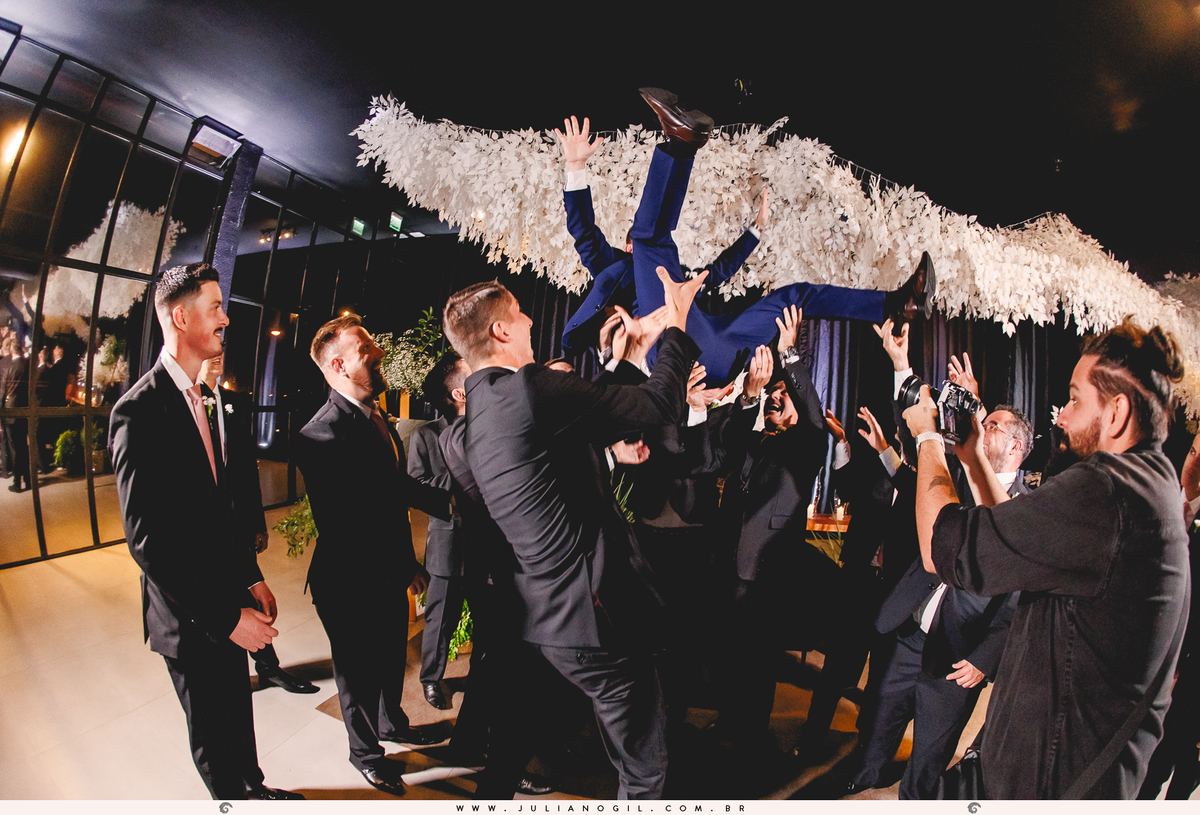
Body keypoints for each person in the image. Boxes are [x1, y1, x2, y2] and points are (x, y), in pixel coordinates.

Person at [441, 266, 705, 799]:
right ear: (500, 331)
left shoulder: (482, 414)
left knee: (574, 736)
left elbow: (585, 414)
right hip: (594, 617)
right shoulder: (528, 388)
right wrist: (676, 324)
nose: (531, 318)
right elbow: (659, 406)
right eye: (519, 313)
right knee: (645, 765)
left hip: (548, 615)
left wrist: (629, 358)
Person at [903, 316, 1191, 798]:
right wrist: (973, 456)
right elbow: (1017, 540)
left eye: (1076, 399)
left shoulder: (1106, 490)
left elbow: (943, 547)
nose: (1064, 415)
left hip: (1042, 781)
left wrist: (927, 438)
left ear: (1117, 413)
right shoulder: (1149, 490)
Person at [556, 90, 935, 386]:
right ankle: (681, 143)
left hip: (716, 350)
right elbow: (584, 234)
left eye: (631, 245)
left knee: (795, 296)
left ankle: (896, 305)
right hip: (668, 358)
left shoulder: (675, 277)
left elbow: (718, 271)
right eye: (629, 246)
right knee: (651, 241)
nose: (631, 248)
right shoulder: (615, 269)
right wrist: (574, 167)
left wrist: (757, 229)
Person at [107, 262, 300, 800]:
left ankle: (256, 791)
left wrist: (251, 578)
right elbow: (149, 543)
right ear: (179, 315)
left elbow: (220, 512)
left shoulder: (207, 399)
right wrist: (225, 617)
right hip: (189, 616)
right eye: (215, 307)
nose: (226, 318)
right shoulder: (137, 413)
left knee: (239, 717)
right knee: (214, 739)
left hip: (228, 596)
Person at [296, 312, 450, 797]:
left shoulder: (373, 415)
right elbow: (352, 521)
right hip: (349, 578)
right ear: (339, 366)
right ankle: (365, 754)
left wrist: (413, 553)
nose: (379, 354)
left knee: (388, 658)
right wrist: (404, 561)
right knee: (358, 672)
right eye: (367, 350)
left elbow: (391, 490)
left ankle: (393, 724)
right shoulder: (320, 434)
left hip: (384, 571)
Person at [198, 350, 317, 696]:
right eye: (211, 355)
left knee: (245, 589)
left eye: (222, 355)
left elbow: (246, 470)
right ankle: (262, 666)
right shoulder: (187, 405)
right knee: (237, 592)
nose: (218, 358)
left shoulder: (233, 403)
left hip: (237, 522)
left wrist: (257, 523)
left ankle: (266, 665)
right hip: (208, 528)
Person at [408, 352, 470, 711]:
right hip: (448, 543)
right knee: (439, 620)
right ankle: (431, 678)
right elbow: (417, 486)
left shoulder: (490, 428)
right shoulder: (426, 436)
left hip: (491, 545)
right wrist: (461, 479)